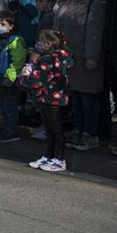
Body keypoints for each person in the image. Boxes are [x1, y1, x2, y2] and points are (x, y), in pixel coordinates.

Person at [52, 0, 106, 152]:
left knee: (88, 96)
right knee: (75, 96)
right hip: (67, 57)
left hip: (85, 56)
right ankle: (79, 129)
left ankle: (91, 134)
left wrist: (91, 56)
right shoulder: (67, 2)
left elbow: (94, 32)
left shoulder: (94, 4)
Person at [21, 29, 72, 173]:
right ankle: (48, 155)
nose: (40, 45)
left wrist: (24, 78)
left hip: (51, 97)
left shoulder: (50, 60)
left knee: (55, 128)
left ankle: (59, 159)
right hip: (49, 96)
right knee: (50, 129)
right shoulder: (55, 58)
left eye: (42, 42)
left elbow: (38, 80)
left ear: (49, 44)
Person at [0, 11, 26, 143]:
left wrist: (10, 78)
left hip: (8, 78)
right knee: (1, 105)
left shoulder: (16, 40)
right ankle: (5, 128)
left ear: (11, 26)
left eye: (3, 24)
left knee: (9, 106)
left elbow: (17, 61)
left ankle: (12, 131)